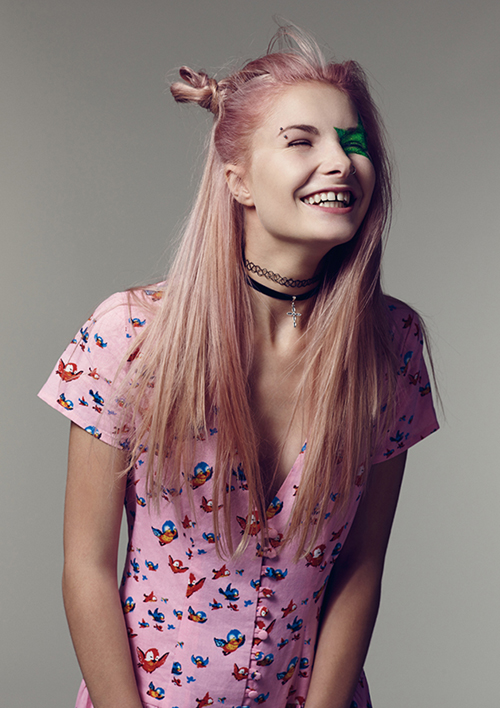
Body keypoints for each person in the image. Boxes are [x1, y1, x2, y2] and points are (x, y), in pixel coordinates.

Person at [39, 25, 438, 708]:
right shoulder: (129, 335)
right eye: (302, 141)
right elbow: (86, 569)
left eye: (353, 142)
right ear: (238, 180)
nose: (341, 162)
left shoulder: (390, 344)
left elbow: (362, 566)